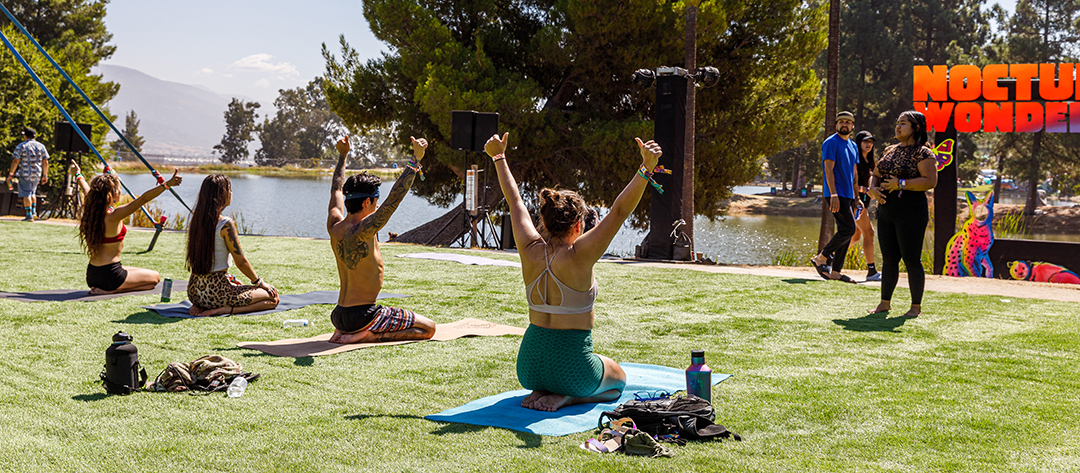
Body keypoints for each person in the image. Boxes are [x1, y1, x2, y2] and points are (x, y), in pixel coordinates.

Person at [485, 132, 662, 412]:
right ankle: (569, 397)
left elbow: (515, 202)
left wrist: (498, 156)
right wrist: (646, 168)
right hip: (572, 371)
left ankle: (544, 389)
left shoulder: (529, 248)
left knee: (562, 369)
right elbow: (618, 212)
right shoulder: (580, 255)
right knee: (619, 380)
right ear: (579, 226)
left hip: (528, 366)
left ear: (543, 220)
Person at [326, 135, 436, 344]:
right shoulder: (365, 229)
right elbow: (394, 199)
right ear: (367, 202)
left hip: (339, 315)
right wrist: (416, 159)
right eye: (375, 202)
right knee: (428, 328)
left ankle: (347, 332)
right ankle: (366, 335)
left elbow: (336, 189)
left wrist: (343, 155)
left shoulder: (334, 225)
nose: (377, 206)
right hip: (364, 316)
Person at [866, 111, 938, 317]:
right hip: (887, 210)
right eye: (897, 123)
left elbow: (930, 181)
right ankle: (884, 303)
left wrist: (901, 184)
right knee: (889, 259)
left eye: (903, 124)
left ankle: (915, 307)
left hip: (911, 210)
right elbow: (876, 175)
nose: (898, 127)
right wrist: (873, 189)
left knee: (911, 259)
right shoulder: (890, 150)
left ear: (916, 128)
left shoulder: (924, 153)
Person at [71, 161, 183, 294]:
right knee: (155, 278)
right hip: (111, 277)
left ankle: (108, 286)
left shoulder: (91, 213)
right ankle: (111, 290)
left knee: (131, 270)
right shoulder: (114, 216)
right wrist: (167, 185)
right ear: (110, 195)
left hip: (92, 274)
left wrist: (78, 174)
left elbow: (85, 187)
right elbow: (143, 199)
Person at [184, 175, 279, 316]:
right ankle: (226, 310)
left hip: (194, 293)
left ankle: (200, 306)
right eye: (230, 189)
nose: (231, 193)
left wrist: (231, 278)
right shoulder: (225, 224)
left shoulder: (196, 220)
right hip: (217, 294)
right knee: (273, 298)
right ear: (222, 194)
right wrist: (260, 282)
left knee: (235, 286)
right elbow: (240, 261)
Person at [809, 111, 859, 283]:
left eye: (848, 122)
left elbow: (854, 172)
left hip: (849, 195)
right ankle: (821, 257)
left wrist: (857, 196)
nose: (844, 124)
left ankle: (836, 272)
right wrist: (833, 194)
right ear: (836, 124)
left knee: (845, 232)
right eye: (841, 122)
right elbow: (828, 170)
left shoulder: (853, 145)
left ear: (852, 126)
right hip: (836, 194)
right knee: (849, 229)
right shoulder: (830, 143)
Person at [851, 131, 881, 282]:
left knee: (856, 235)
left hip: (864, 201)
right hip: (857, 202)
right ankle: (871, 271)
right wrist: (865, 191)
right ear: (858, 143)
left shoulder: (870, 161)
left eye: (871, 141)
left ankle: (827, 257)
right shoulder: (855, 159)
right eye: (865, 141)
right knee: (869, 233)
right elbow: (852, 182)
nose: (869, 144)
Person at [6, 127, 49, 221]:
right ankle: (34, 212)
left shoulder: (21, 146)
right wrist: (45, 175)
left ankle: (29, 215)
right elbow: (45, 161)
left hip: (24, 173)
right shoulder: (41, 146)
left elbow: (16, 161)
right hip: (37, 174)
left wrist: (11, 173)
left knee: (26, 194)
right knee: (32, 192)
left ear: (25, 136)